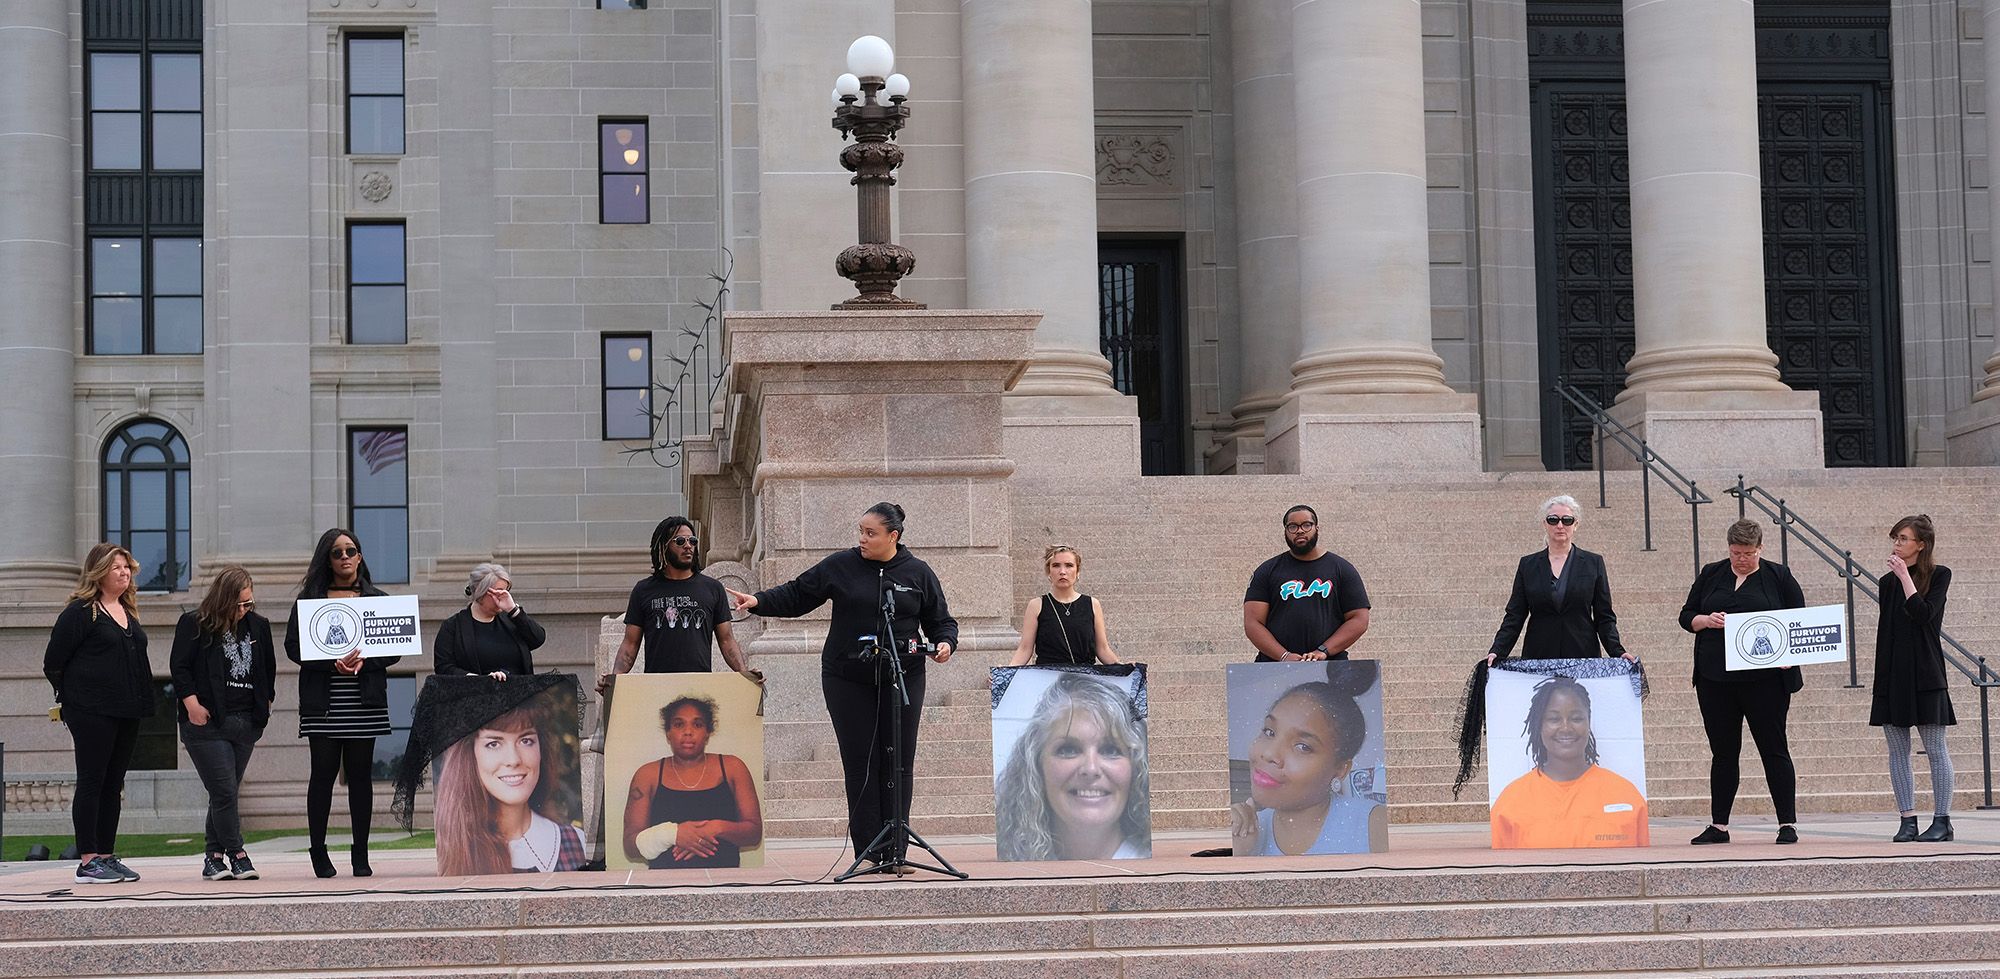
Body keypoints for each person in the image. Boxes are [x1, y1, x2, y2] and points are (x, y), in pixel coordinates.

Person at [727, 502, 957, 870]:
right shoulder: (841, 565)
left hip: (902, 676)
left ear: (892, 537)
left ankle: (896, 852)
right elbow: (799, 593)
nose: (862, 539)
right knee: (861, 762)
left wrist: (945, 644)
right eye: (860, 532)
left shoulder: (918, 573)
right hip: (847, 677)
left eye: (871, 533)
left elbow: (941, 621)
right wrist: (758, 602)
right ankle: (868, 852)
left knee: (898, 761)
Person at [1679, 518, 1804, 845]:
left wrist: (1790, 653)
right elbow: (1685, 615)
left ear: (1760, 548)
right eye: (1735, 552)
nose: (1741, 559)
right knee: (1723, 752)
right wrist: (1705, 620)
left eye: (1747, 553)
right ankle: (1719, 826)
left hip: (1766, 681)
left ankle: (1787, 823)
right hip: (1715, 679)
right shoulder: (1712, 573)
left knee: (1773, 748)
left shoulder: (1779, 577)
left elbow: (1799, 622)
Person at [285, 528, 401, 878]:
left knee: (361, 778)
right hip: (324, 702)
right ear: (328, 559)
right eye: (337, 552)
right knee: (322, 776)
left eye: (352, 550)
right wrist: (330, 662)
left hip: (364, 702)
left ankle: (360, 854)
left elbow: (394, 649)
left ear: (360, 556)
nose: (346, 557)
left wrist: (367, 661)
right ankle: (318, 851)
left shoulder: (377, 599)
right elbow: (294, 647)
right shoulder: (309, 602)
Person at [43, 543, 154, 885]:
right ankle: (88, 860)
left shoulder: (127, 611)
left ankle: (106, 855)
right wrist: (77, 699)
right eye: (117, 567)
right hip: (91, 711)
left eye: (127, 567)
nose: (125, 572)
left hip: (126, 709)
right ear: (98, 572)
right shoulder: (80, 612)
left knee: (113, 783)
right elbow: (53, 663)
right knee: (92, 780)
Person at [169, 565, 276, 881]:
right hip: (207, 723)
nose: (244, 610)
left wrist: (266, 702)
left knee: (223, 793)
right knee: (226, 791)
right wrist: (191, 703)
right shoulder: (194, 624)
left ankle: (213, 858)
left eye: (249, 604)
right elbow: (180, 668)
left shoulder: (259, 626)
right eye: (239, 604)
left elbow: (267, 669)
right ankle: (237, 854)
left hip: (246, 722)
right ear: (223, 599)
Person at [1229, 662, 1385, 855]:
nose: (1269, 754)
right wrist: (1239, 858)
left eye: (1303, 747)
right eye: (1269, 732)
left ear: (1340, 769)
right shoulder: (1243, 831)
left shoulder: (1373, 824)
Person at [995, 673, 1151, 861]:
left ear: (1137, 766)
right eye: (1068, 750)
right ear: (1036, 765)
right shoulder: (1014, 861)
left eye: (1111, 750)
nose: (1091, 769)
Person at [599, 516, 759, 694]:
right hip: (656, 688)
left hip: (699, 687)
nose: (688, 545)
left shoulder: (712, 588)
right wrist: (614, 679)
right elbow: (630, 644)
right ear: (664, 546)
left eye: (692, 541)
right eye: (680, 541)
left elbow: (727, 640)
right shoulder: (643, 590)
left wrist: (744, 675)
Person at [432, 696, 587, 874]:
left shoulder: (575, 842)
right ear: (469, 756)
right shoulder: (448, 851)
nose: (513, 760)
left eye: (526, 741)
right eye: (493, 744)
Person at [1488, 675, 1648, 848]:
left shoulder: (1626, 795)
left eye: (1576, 718)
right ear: (1539, 726)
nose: (1566, 728)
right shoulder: (1510, 803)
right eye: (1554, 719)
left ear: (1589, 723)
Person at [1873, 514, 1957, 843]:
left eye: (1904, 538)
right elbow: (1888, 631)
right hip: (1894, 672)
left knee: (1936, 748)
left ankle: (1942, 820)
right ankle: (1907, 818)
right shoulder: (1886, 581)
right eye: (1896, 538)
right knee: (1897, 750)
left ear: (1920, 545)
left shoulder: (1939, 575)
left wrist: (1905, 577)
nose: (1897, 543)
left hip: (1926, 671)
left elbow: (1923, 615)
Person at [1485, 495, 1633, 666]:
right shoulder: (1528, 565)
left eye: (1567, 520)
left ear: (1575, 524)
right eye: (1553, 520)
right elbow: (1515, 615)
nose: (1560, 525)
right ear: (1544, 524)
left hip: (1582, 655)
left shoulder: (1593, 563)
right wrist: (1497, 650)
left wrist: (1618, 651)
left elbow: (1604, 616)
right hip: (1539, 655)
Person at [622, 695, 763, 869]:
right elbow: (630, 845)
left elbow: (754, 832)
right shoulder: (647, 775)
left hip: (724, 883)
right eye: (679, 724)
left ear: (707, 733)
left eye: (697, 724)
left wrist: (716, 828)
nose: (688, 731)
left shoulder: (733, 768)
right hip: (664, 885)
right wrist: (673, 834)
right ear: (668, 733)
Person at [1244, 505, 1370, 663]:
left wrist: (1323, 650)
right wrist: (1284, 656)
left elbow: (1359, 619)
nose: (1300, 530)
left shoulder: (1342, 569)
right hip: (1274, 667)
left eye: (1306, 525)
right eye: (1292, 526)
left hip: (1330, 667)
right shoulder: (1267, 571)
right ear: (1285, 531)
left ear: (1317, 528)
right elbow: (1253, 622)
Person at [1007, 545, 1122, 666]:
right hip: (1048, 679)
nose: (1062, 572)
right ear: (1049, 571)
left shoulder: (1092, 604)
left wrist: (1126, 670)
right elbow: (1025, 649)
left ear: (1077, 571)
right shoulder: (1036, 605)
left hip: (1084, 679)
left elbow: (1103, 650)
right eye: (1056, 565)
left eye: (1069, 565)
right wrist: (1004, 674)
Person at [434, 563, 546, 681]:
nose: (504, 596)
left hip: (519, 695)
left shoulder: (512, 619)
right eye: (499, 592)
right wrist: (479, 680)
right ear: (480, 592)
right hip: (476, 695)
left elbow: (538, 639)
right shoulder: (453, 626)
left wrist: (514, 610)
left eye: (506, 591)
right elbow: (443, 667)